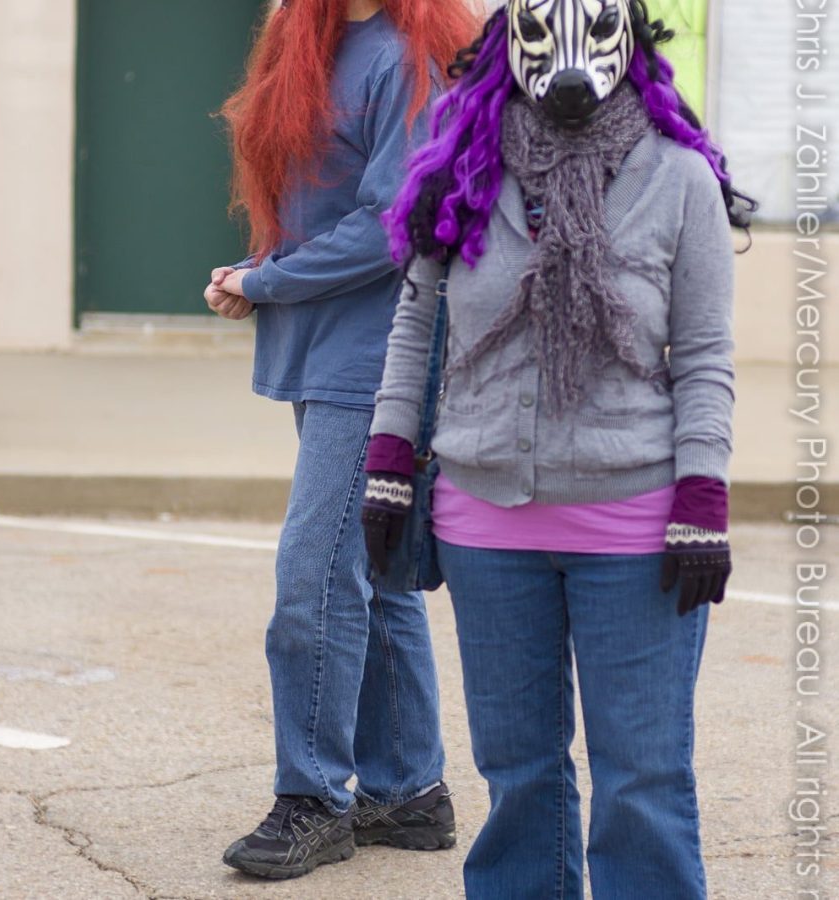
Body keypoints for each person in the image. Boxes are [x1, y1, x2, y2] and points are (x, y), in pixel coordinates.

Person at [362, 1, 756, 897]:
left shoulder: (680, 177)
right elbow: (416, 323)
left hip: (636, 525)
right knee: (520, 776)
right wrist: (390, 460)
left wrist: (702, 497)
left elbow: (702, 357)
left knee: (643, 783)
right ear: (512, 42)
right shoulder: (458, 170)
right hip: (483, 522)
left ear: (633, 39)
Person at [203, 0, 480, 881]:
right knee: (374, 567)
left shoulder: (406, 55)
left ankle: (314, 797)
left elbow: (393, 220)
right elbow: (304, 202)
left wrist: (272, 278)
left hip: (379, 358)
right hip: (325, 345)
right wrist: (260, 278)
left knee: (313, 576)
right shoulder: (310, 40)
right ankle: (407, 789)